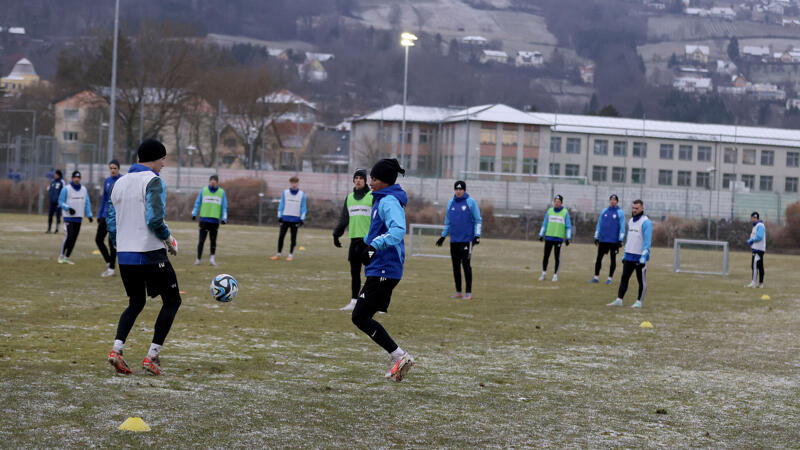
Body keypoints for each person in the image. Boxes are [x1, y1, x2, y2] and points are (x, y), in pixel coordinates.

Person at [106, 139, 181, 376]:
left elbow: (111, 221)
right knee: (172, 301)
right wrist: (169, 240)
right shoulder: (153, 182)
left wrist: (122, 243)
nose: (164, 164)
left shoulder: (118, 183)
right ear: (155, 158)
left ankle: (116, 350)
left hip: (125, 256)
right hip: (149, 254)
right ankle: (152, 357)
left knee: (136, 302)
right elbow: (154, 220)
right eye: (163, 159)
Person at [351, 158, 414, 382]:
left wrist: (374, 246)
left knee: (359, 316)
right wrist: (364, 245)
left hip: (386, 269)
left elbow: (398, 230)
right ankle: (398, 359)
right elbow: (378, 231)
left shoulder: (388, 201)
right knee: (362, 316)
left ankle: (399, 356)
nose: (370, 181)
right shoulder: (381, 200)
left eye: (374, 179)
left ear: (385, 181)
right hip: (381, 268)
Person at [332, 169, 373, 311]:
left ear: (365, 180)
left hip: (369, 242)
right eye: (356, 178)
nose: (358, 180)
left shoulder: (372, 196)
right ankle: (354, 301)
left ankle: (374, 302)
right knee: (354, 272)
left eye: (361, 178)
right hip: (354, 241)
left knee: (373, 273)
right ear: (353, 180)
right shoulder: (349, 198)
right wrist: (336, 234)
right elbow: (344, 218)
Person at [435, 180, 482, 300]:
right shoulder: (451, 203)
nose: (458, 191)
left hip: (467, 239)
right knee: (455, 266)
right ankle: (458, 291)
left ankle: (468, 292)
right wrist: (443, 236)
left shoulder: (471, 202)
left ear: (464, 190)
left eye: (460, 189)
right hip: (454, 240)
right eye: (456, 189)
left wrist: (477, 235)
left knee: (466, 265)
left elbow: (478, 220)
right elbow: (448, 222)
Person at [607, 199, 652, 308]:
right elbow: (629, 239)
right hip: (629, 256)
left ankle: (639, 302)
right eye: (633, 208)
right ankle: (619, 300)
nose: (634, 210)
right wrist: (625, 253)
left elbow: (647, 242)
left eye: (637, 208)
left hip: (640, 257)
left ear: (642, 208)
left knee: (641, 281)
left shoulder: (646, 222)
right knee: (624, 278)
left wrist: (644, 256)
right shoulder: (631, 221)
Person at [192, 174, 228, 266]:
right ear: (209, 181)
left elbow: (224, 207)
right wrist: (194, 213)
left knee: (213, 241)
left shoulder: (221, 192)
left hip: (214, 221)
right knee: (201, 241)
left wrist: (224, 218)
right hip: (204, 220)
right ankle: (198, 259)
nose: (212, 182)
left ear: (217, 182)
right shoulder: (204, 191)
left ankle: (212, 259)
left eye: (214, 180)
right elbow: (197, 202)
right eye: (211, 180)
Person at [57, 170, 93, 264]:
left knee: (74, 238)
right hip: (68, 217)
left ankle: (67, 257)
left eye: (78, 177)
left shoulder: (84, 190)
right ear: (72, 178)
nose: (77, 179)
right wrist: (68, 208)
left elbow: (87, 202)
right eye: (75, 177)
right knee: (69, 235)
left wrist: (89, 215)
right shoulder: (66, 189)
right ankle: (61, 255)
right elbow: (60, 202)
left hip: (79, 217)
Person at [590, 194, 626, 285]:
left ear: (617, 202)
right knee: (598, 259)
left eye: (614, 200)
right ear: (609, 201)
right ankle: (596, 277)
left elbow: (622, 227)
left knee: (612, 260)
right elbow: (599, 224)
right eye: (611, 199)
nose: (612, 201)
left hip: (614, 241)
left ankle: (609, 278)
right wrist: (596, 236)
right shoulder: (604, 211)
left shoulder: (620, 212)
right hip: (603, 240)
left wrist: (620, 240)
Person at [270, 176, 306, 261]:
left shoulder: (302, 194)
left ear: (298, 183)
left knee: (293, 238)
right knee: (281, 236)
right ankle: (278, 254)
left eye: (295, 183)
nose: (294, 184)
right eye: (292, 183)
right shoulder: (285, 193)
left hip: (295, 219)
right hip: (285, 218)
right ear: (290, 183)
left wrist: (302, 218)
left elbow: (303, 207)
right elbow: (281, 205)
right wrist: (280, 216)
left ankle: (290, 255)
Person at [96, 160, 122, 277]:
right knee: (98, 239)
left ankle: (111, 268)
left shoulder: (122, 181)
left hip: (116, 217)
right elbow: (104, 200)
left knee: (112, 243)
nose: (112, 170)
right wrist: (99, 214)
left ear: (118, 169)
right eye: (111, 168)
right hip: (105, 216)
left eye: (115, 168)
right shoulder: (107, 181)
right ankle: (108, 261)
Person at [538, 194, 572, 282]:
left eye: (558, 202)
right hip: (549, 237)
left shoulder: (565, 212)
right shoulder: (549, 211)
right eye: (555, 202)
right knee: (546, 256)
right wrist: (541, 234)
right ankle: (543, 273)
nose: (557, 203)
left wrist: (568, 238)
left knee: (557, 257)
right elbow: (545, 224)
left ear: (561, 203)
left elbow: (568, 226)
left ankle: (555, 275)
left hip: (558, 238)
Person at [746, 211, 766, 288]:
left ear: (757, 218)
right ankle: (761, 284)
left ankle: (753, 283)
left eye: (754, 218)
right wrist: (751, 242)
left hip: (758, 249)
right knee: (760, 266)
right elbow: (754, 236)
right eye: (752, 218)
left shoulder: (760, 225)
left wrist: (751, 240)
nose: (753, 219)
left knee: (754, 266)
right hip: (757, 248)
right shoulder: (755, 226)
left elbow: (759, 237)